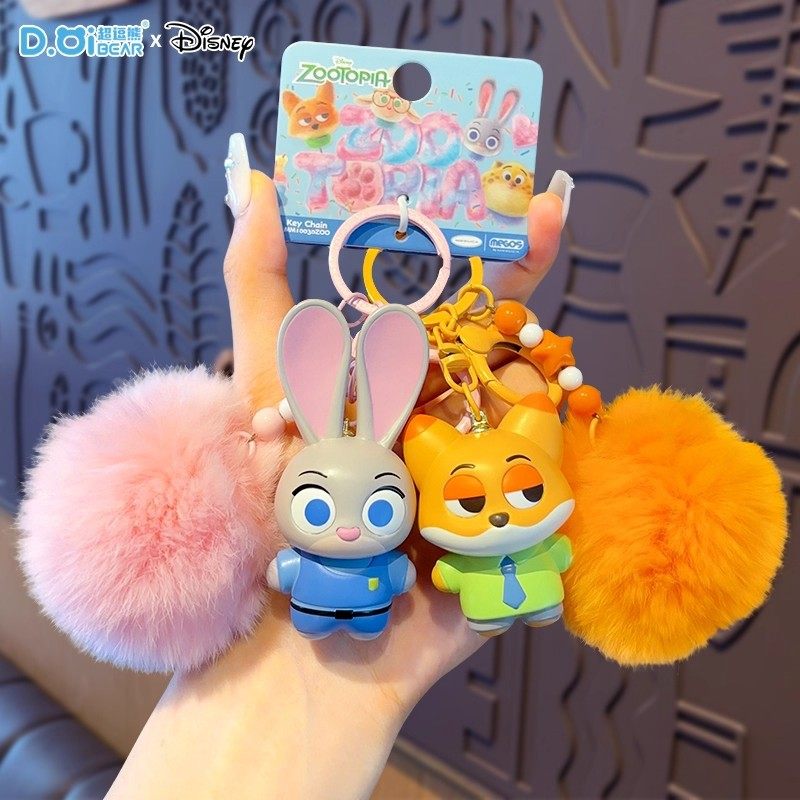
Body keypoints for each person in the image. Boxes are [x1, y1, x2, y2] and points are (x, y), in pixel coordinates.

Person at [106, 139, 571, 799]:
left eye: (380, 510)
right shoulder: (321, 537)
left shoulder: (404, 539)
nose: (350, 529)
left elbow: (424, 568)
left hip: (390, 604)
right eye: (319, 509)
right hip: (321, 607)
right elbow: (288, 569)